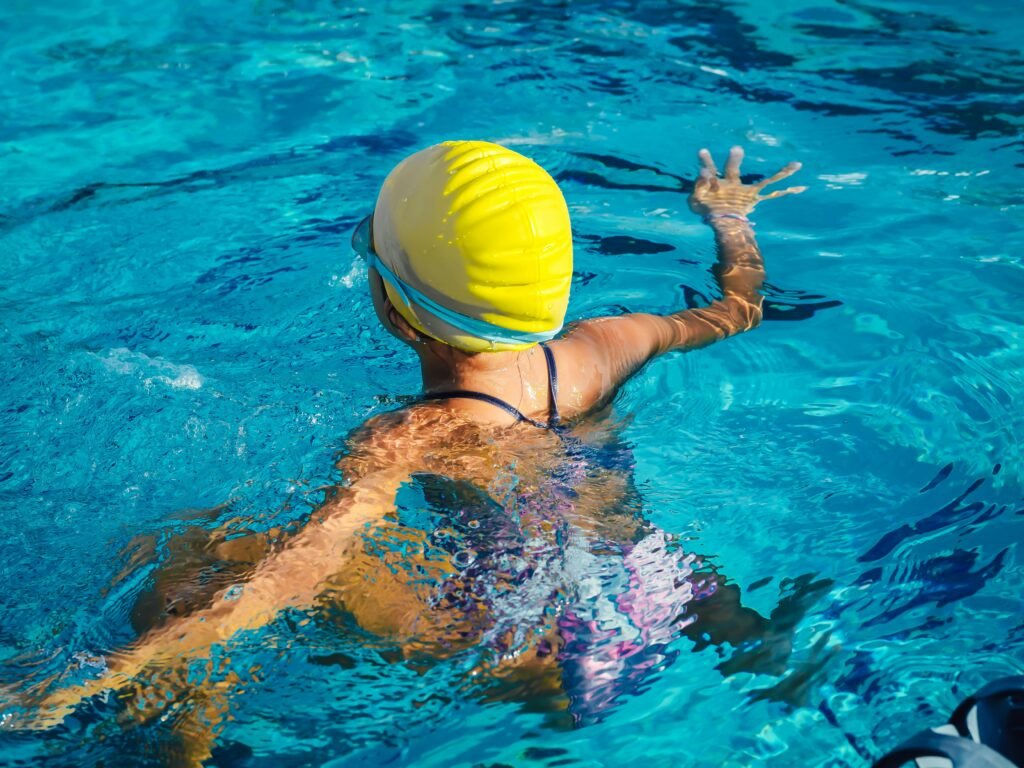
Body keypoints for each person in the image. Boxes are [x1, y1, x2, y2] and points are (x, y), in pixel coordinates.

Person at [7, 142, 807, 763]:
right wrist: (729, 219)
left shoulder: (409, 436)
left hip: (534, 656)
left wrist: (94, 673)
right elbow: (738, 309)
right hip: (663, 599)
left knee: (190, 548)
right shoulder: (605, 346)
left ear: (396, 308)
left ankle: (165, 740)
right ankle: (759, 647)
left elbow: (305, 564)